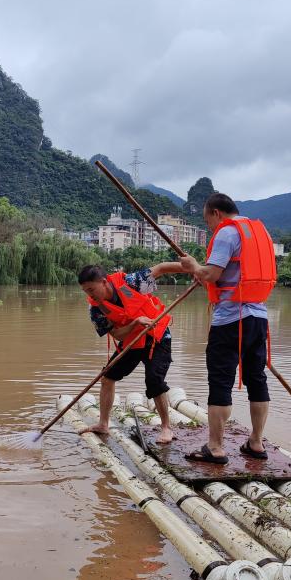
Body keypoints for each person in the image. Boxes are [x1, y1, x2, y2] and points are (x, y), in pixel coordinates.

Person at [176, 192, 277, 464]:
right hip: (259, 318)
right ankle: (256, 443)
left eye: (207, 220)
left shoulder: (226, 233)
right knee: (257, 380)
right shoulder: (260, 233)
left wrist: (194, 266)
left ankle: (216, 448)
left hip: (231, 319)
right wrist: (206, 276)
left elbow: (212, 273)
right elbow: (232, 274)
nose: (209, 226)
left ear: (216, 213)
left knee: (220, 381)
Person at [76, 262, 183, 444]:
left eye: (91, 289)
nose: (90, 295)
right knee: (107, 377)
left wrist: (195, 269)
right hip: (131, 341)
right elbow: (117, 334)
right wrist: (135, 324)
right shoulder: (95, 309)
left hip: (157, 336)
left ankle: (166, 428)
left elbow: (162, 268)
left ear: (104, 282)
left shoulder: (132, 282)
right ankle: (103, 424)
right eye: (86, 291)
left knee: (154, 380)